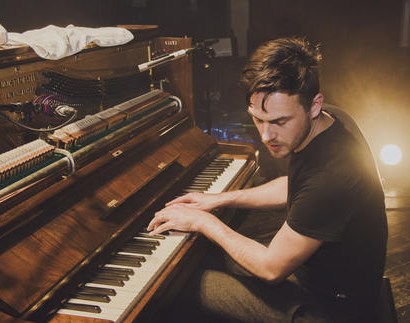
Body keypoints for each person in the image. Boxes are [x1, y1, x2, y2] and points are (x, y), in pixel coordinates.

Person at [148, 37, 388, 322]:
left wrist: (203, 221)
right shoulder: (332, 119)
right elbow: (297, 186)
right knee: (201, 255)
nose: (265, 136)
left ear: (313, 105)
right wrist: (220, 198)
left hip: (331, 310)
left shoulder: (332, 177)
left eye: (279, 122)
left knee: (176, 287)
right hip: (317, 280)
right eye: (258, 119)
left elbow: (271, 268)